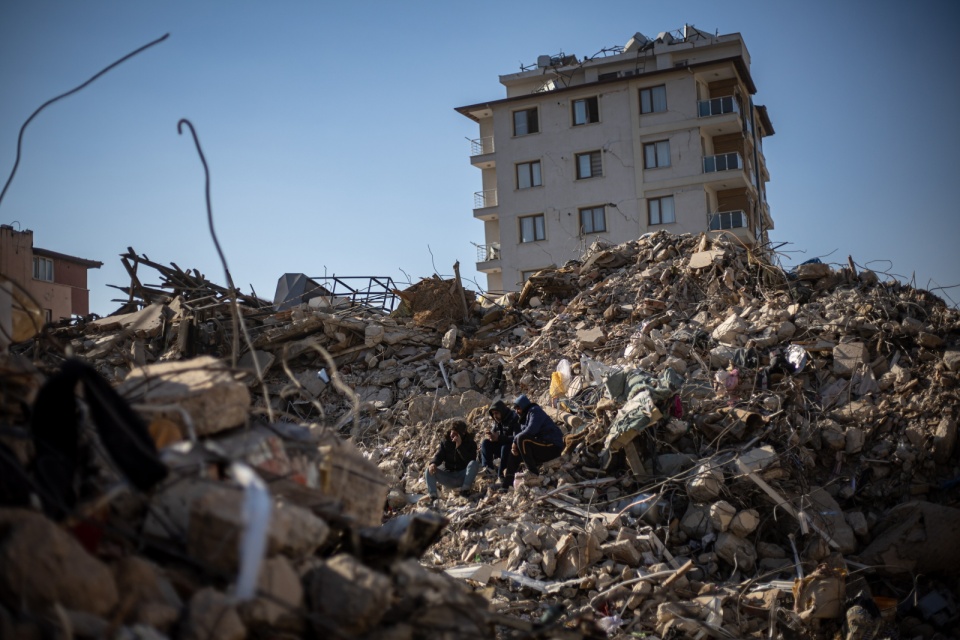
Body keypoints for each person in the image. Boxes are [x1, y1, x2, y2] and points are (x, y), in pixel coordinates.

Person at [501, 394, 564, 491]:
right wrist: (515, 446)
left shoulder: (534, 411)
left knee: (522, 439)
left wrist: (515, 441)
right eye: (516, 409)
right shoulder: (524, 419)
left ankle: (533, 473)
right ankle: (507, 484)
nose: (517, 411)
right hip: (542, 447)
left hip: (552, 446)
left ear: (523, 406)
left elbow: (531, 430)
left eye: (518, 408)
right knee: (514, 452)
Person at [422, 419, 479, 502]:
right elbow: (439, 455)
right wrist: (433, 463)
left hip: (463, 476)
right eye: (452, 432)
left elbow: (470, 460)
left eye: (456, 433)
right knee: (429, 470)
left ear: (463, 434)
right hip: (449, 476)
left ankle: (465, 490)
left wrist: (459, 447)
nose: (453, 435)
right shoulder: (446, 442)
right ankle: (433, 497)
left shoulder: (470, 443)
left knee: (474, 463)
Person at [480, 400, 521, 483]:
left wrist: (499, 438)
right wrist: (491, 436)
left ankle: (501, 475)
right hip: (503, 447)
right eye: (493, 414)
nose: (495, 416)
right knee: (485, 443)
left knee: (505, 448)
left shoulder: (514, 419)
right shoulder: (498, 421)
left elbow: (517, 438)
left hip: (514, 449)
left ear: (502, 411)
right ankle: (488, 469)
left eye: (496, 413)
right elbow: (495, 434)